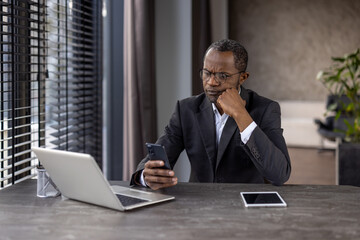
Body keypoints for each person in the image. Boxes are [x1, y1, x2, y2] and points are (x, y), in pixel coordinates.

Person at [130, 39, 291, 190]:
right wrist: (146, 176)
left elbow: (279, 174)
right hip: (198, 207)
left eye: (223, 76)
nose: (212, 82)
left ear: (242, 77)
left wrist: (241, 115)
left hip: (245, 207)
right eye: (207, 73)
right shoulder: (186, 109)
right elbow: (157, 160)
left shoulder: (265, 109)